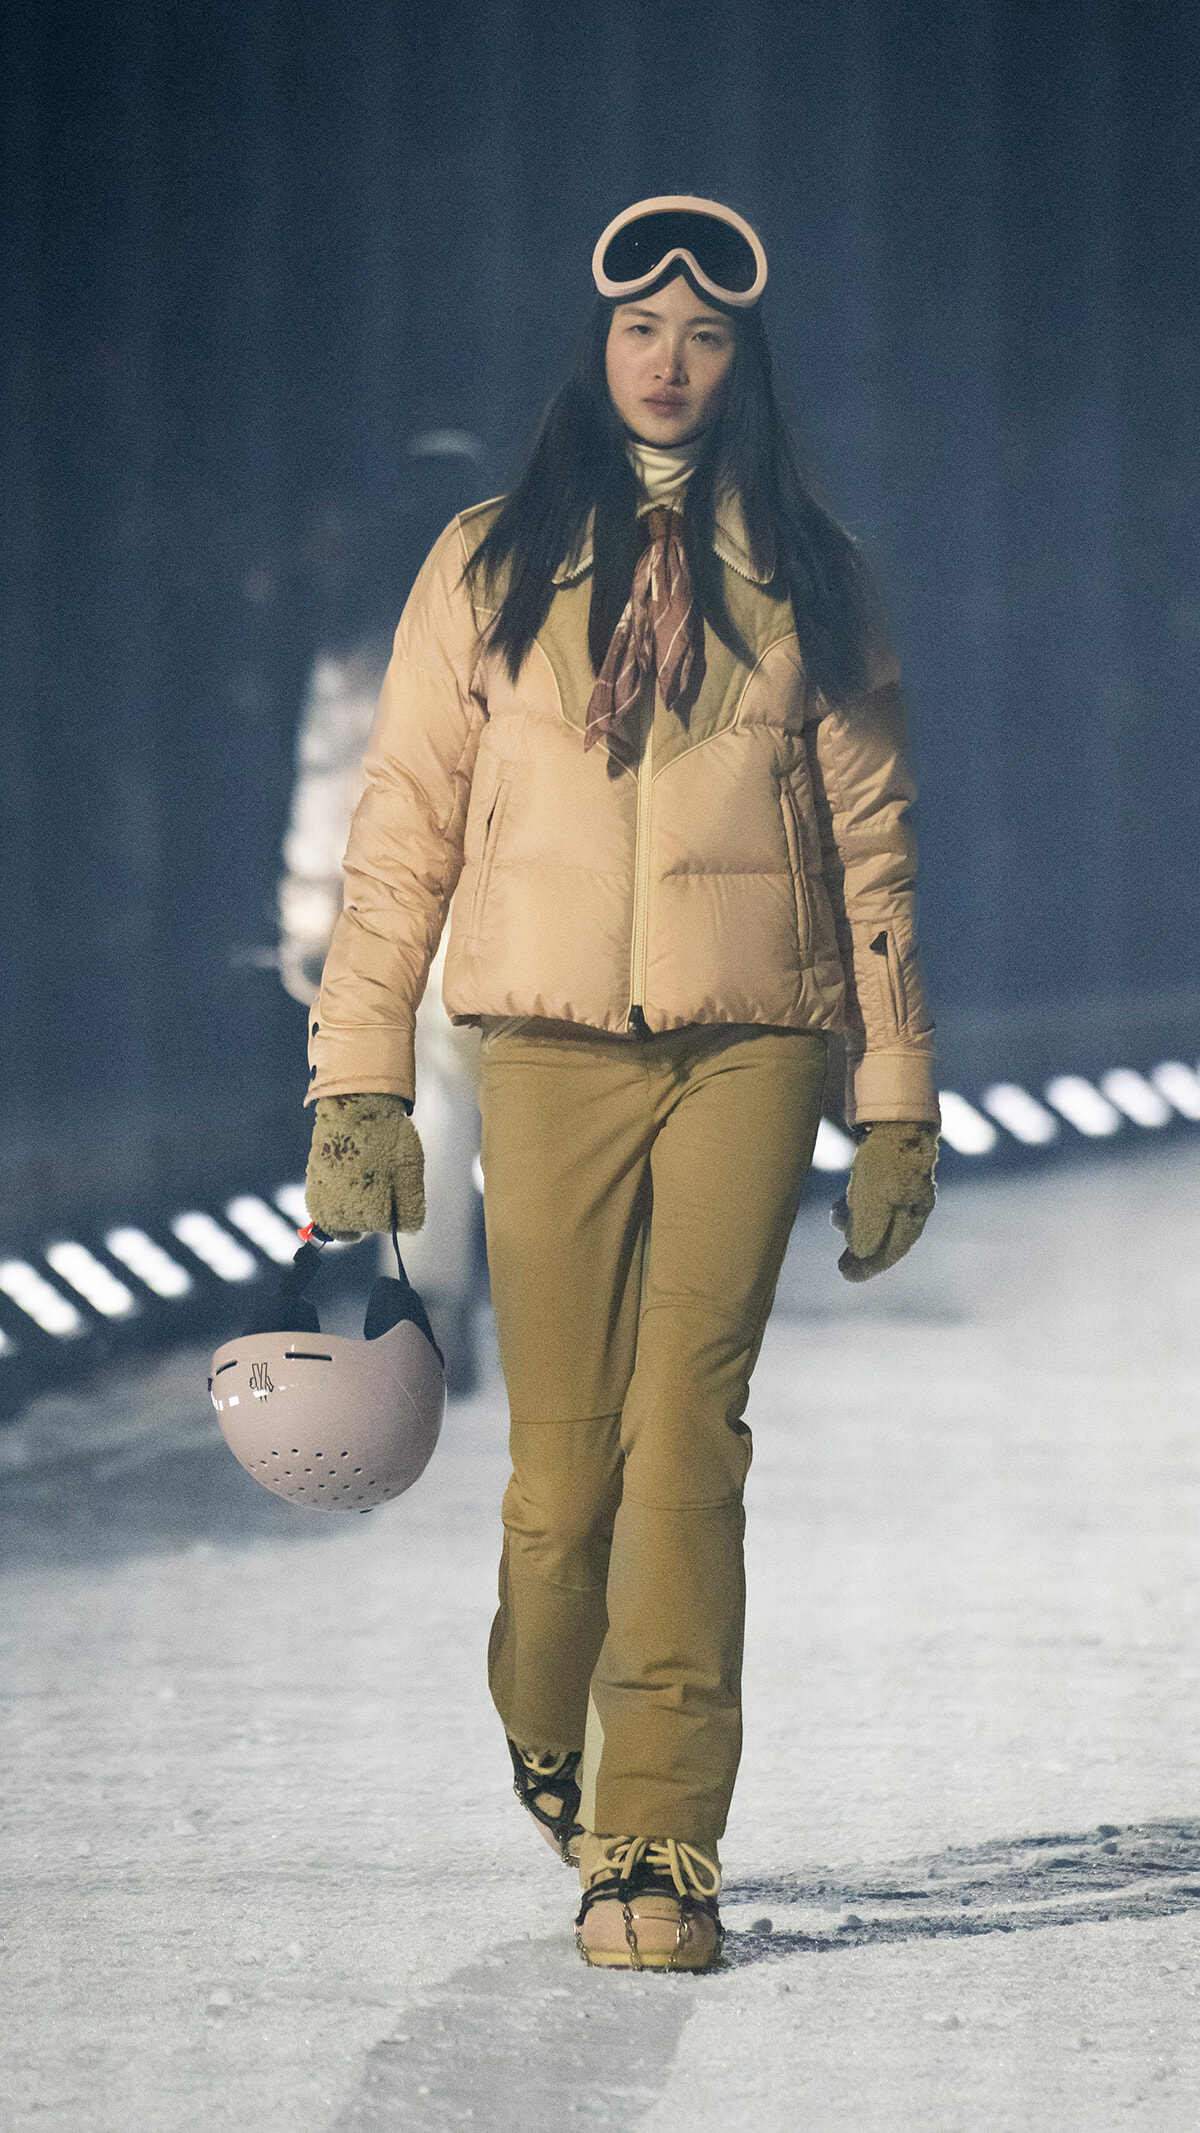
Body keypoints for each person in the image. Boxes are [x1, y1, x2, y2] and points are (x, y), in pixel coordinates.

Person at [303, 196, 940, 1973]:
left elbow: (874, 855)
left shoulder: (817, 567)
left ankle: (659, 1833)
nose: (669, 362)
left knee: (691, 1446)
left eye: (707, 336)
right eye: (641, 329)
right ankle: (544, 1706)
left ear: (749, 366)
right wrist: (357, 1079)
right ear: (595, 350)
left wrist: (895, 1095)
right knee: (563, 1473)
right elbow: (401, 832)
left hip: (755, 1039)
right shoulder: (490, 561)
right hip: (545, 1048)